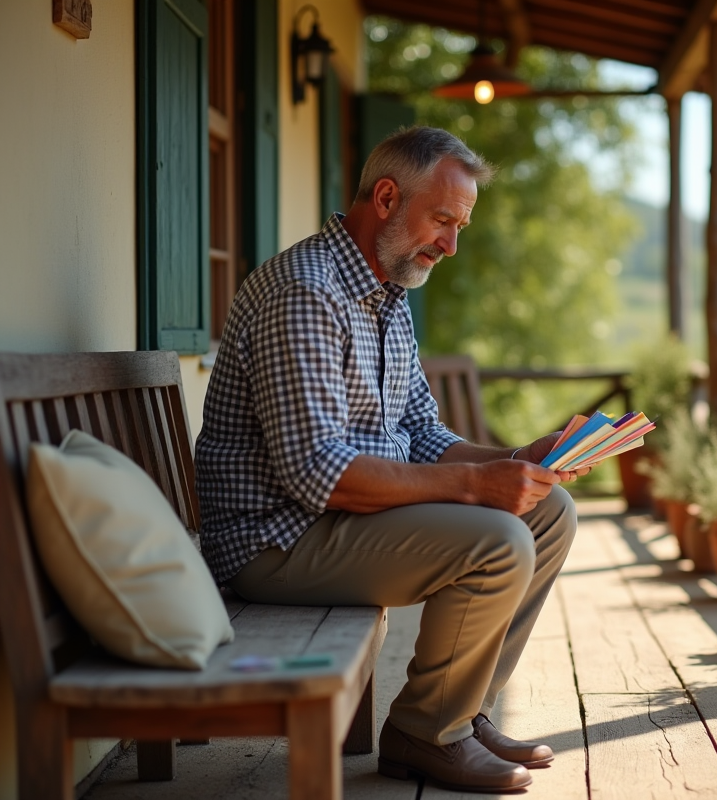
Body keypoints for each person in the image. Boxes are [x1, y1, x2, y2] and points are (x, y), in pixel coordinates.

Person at [195, 126, 586, 793]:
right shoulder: (306, 293)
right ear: (385, 198)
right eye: (443, 220)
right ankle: (426, 734)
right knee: (497, 542)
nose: (451, 245)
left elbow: (421, 431)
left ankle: (464, 711)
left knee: (550, 512)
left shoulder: (387, 294)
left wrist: (519, 460)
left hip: (340, 523)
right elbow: (319, 474)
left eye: (460, 226)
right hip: (275, 541)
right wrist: (475, 486)